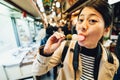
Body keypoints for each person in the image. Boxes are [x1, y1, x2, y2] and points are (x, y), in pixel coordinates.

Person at [32, 0, 119, 80]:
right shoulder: (65, 47)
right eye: (80, 20)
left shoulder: (112, 62)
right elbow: (37, 71)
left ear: (106, 30)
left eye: (92, 20)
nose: (82, 26)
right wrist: (46, 52)